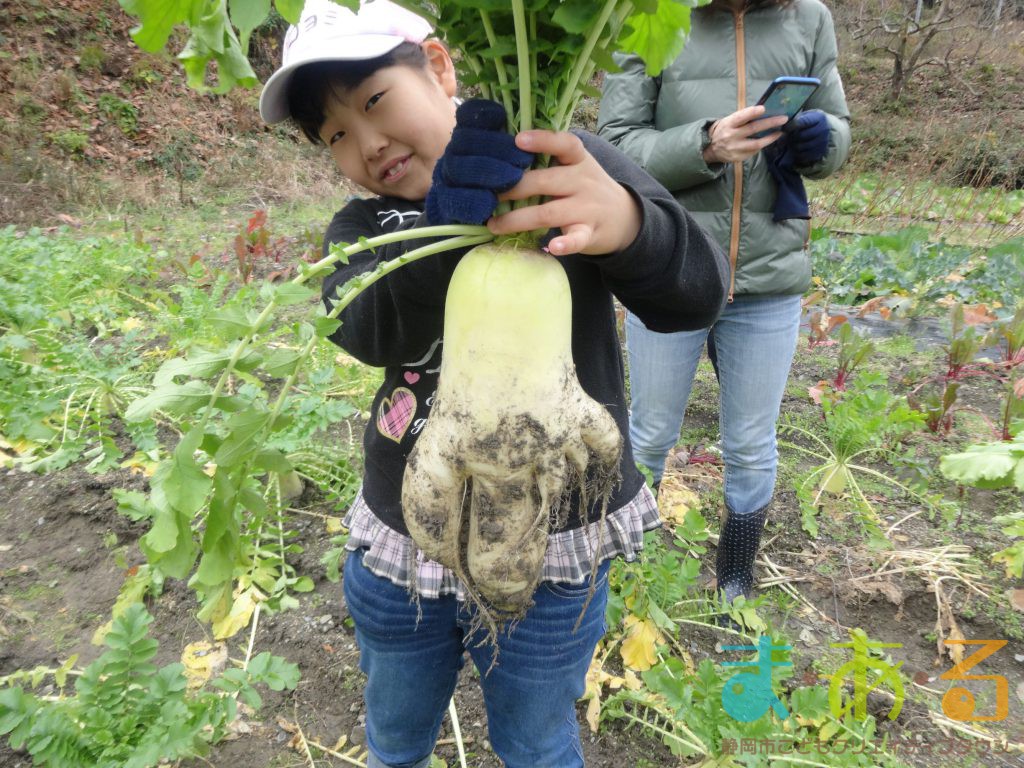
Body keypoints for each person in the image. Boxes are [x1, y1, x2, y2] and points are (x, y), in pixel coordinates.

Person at [258, 2, 729, 767]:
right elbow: (362, 328)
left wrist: (630, 224)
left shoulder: (571, 171)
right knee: (397, 734)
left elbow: (699, 293)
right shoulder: (366, 225)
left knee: (539, 741)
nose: (367, 143)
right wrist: (441, 229)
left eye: (375, 101)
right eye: (335, 134)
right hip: (404, 537)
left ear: (439, 67)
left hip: (556, 545)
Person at [598, 0, 850, 609]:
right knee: (649, 434)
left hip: (769, 277)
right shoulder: (647, 15)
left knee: (752, 442)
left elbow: (839, 127)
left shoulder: (808, 17)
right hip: (672, 266)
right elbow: (614, 147)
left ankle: (735, 573)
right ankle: (626, 569)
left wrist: (823, 141)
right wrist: (706, 144)